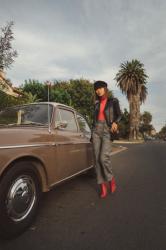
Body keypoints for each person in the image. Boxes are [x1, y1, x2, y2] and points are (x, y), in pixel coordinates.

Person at [92, 80, 121, 198]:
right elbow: (93, 120)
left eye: (100, 88)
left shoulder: (113, 101)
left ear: (105, 89)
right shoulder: (96, 104)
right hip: (96, 131)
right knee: (97, 159)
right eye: (96, 89)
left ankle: (111, 179)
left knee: (103, 157)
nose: (98, 90)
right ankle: (102, 186)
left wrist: (115, 122)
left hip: (107, 130)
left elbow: (119, 115)